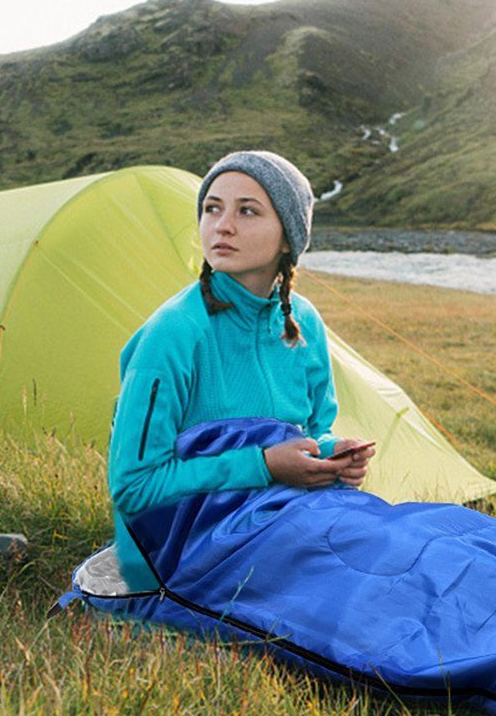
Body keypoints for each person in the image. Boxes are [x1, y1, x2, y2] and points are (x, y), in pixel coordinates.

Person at [107, 150, 375, 591]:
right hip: (182, 549)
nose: (222, 225)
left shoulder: (302, 322)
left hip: (283, 517)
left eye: (246, 211)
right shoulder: (174, 332)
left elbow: (311, 430)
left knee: (401, 547)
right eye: (212, 208)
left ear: (288, 238)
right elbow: (135, 489)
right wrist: (264, 465)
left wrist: (331, 457)